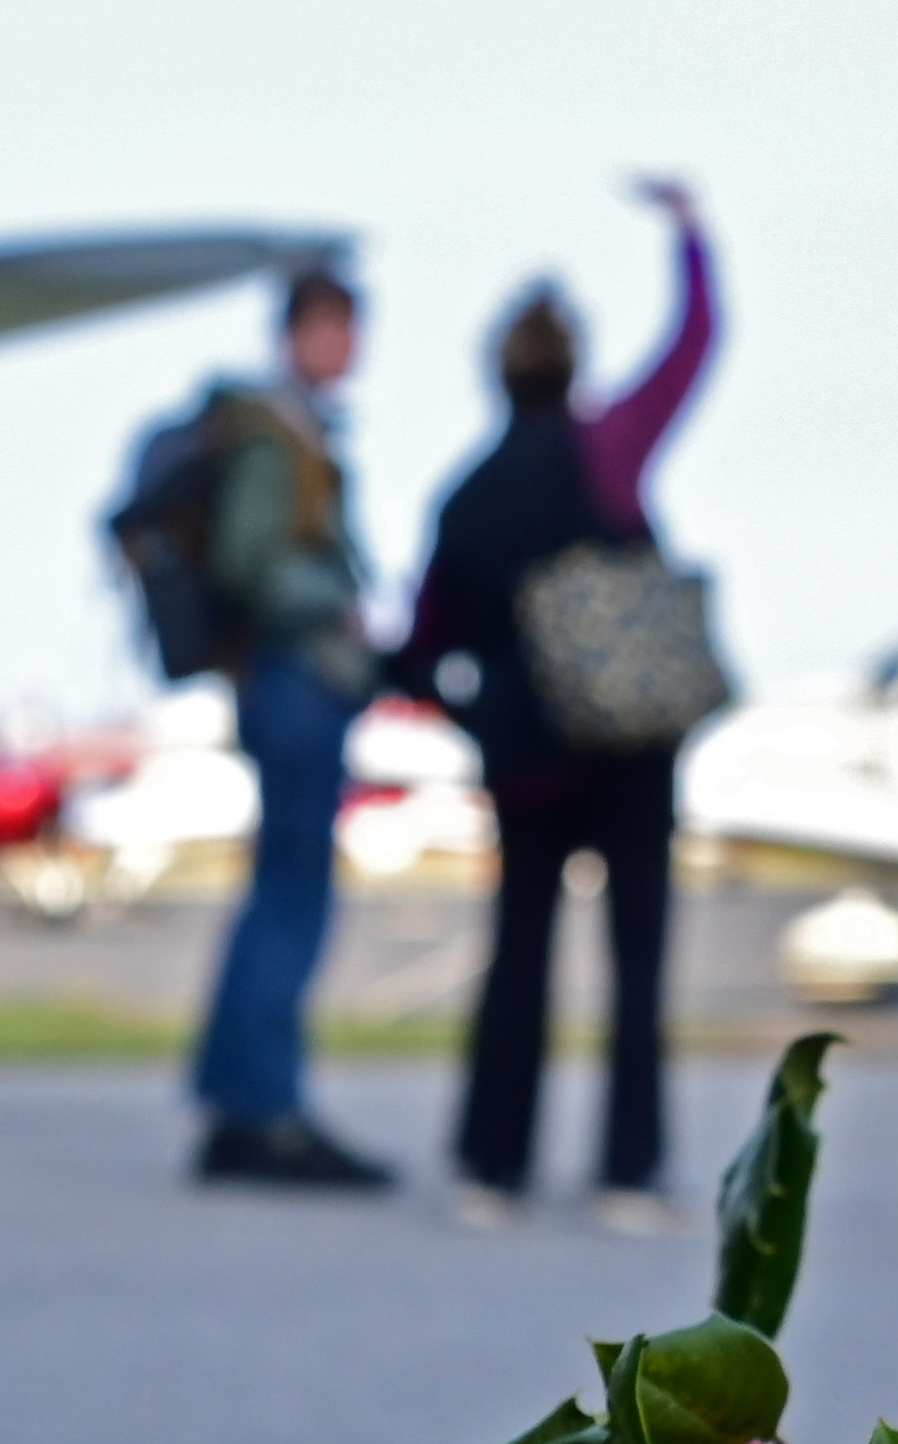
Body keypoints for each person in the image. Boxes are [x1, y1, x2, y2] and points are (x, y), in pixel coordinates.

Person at [401, 177, 722, 1225]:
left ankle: (489, 1167)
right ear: (573, 364)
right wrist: (688, 232)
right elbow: (693, 345)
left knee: (519, 959)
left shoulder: (464, 494)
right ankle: (628, 1174)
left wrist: (482, 715)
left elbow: (424, 650)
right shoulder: (611, 446)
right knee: (636, 964)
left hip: (528, 764)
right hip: (628, 752)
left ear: (495, 375)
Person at [173, 260, 389, 1191]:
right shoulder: (277, 435)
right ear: (297, 334)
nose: (348, 349)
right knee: (293, 898)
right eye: (334, 329)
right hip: (295, 679)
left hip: (285, 681)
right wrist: (337, 611)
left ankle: (237, 1102)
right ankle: (269, 1111)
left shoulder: (293, 429)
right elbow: (248, 563)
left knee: (278, 889)